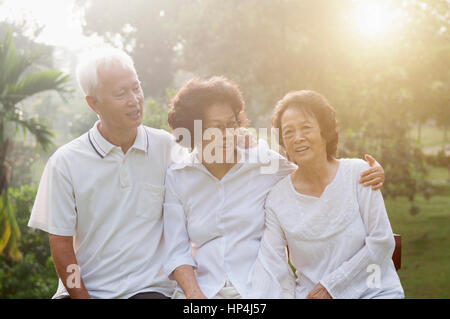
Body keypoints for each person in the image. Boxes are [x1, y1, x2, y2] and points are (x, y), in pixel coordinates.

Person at [162, 77, 386, 299]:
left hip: (257, 288)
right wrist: (195, 296)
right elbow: (176, 250)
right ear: (193, 131)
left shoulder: (263, 163)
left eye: (232, 124)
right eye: (216, 128)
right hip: (202, 290)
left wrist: (370, 171)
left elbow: (313, 168)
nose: (228, 135)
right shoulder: (179, 177)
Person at [27, 48, 182, 299]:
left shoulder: (167, 147)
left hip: (147, 289)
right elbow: (61, 243)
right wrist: (81, 295)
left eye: (136, 87)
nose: (134, 99)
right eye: (121, 93)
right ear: (93, 103)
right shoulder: (65, 162)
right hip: (84, 290)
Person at [251, 90, 404, 299]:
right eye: (288, 132)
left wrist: (331, 287)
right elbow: (274, 265)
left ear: (325, 132)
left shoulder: (359, 174)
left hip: (376, 292)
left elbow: (382, 241)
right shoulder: (277, 199)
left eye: (306, 127)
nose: (298, 138)